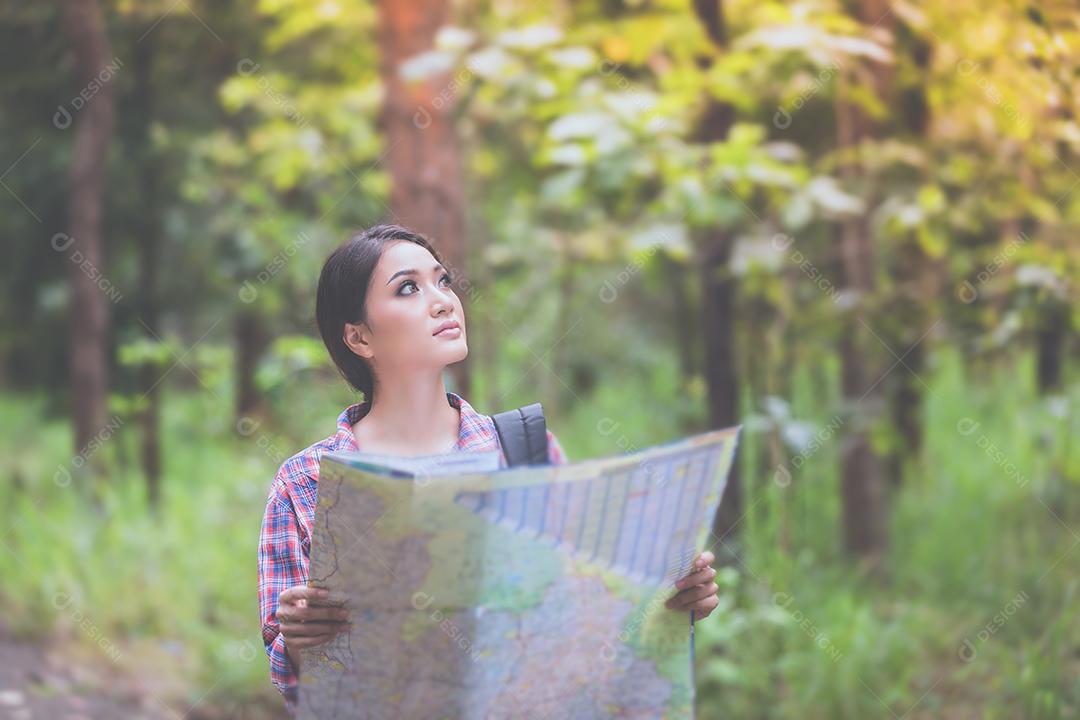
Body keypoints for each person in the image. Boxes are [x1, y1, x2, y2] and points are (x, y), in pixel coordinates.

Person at [257, 224, 721, 709]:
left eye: (442, 281)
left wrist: (670, 600)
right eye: (408, 288)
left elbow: (579, 625)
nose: (442, 301)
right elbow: (292, 679)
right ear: (359, 337)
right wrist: (299, 639)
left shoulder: (523, 450)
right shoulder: (305, 482)